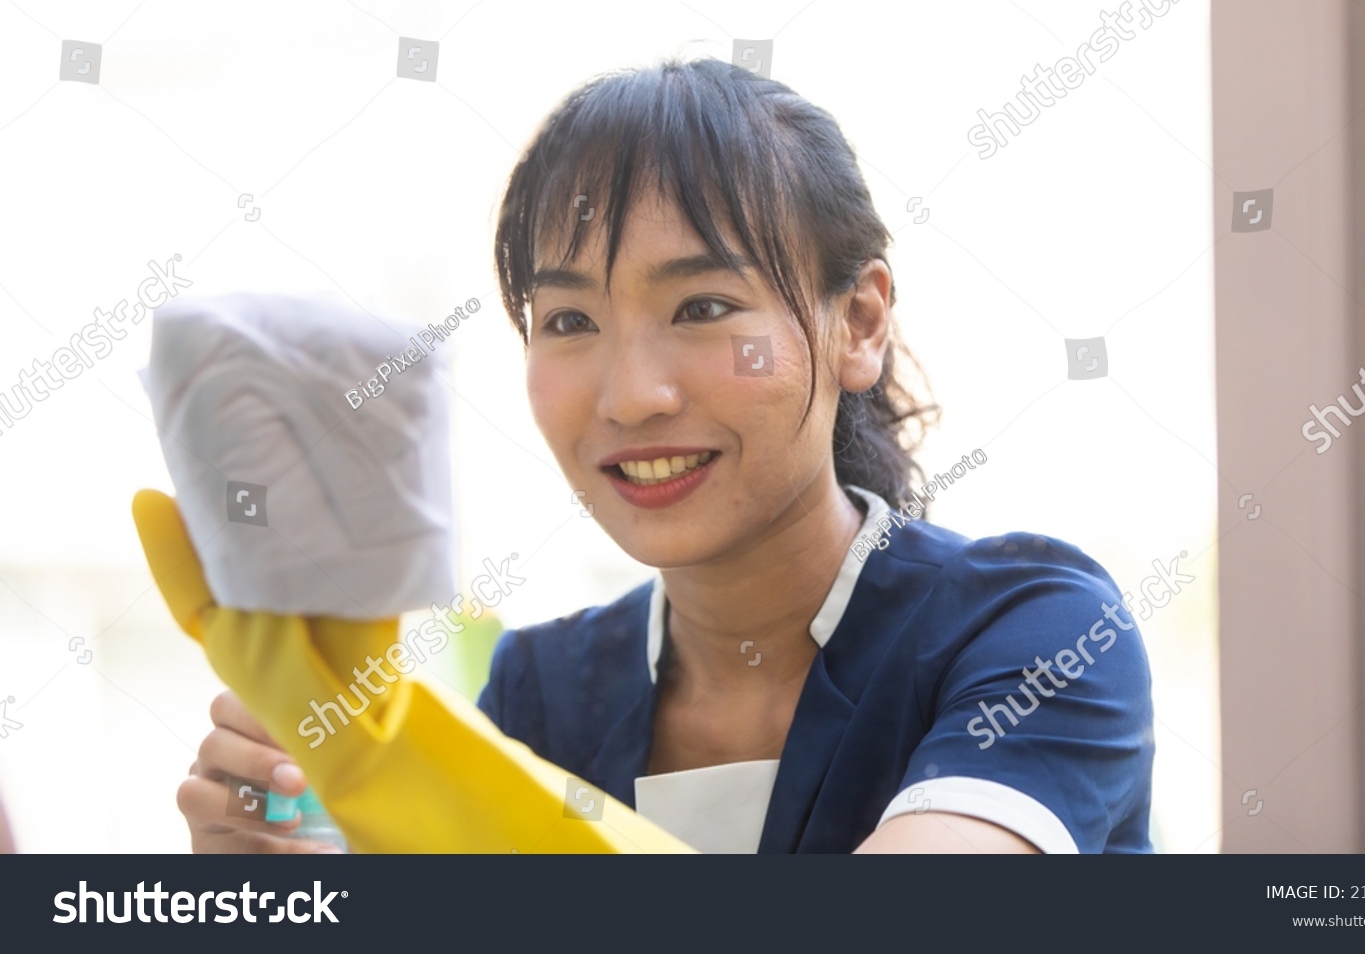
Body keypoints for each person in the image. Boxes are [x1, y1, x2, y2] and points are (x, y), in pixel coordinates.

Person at [177, 59, 1153, 853]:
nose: (631, 394)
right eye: (568, 320)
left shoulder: (1037, 634)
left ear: (858, 322)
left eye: (701, 308)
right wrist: (299, 879)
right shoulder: (540, 690)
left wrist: (421, 790)